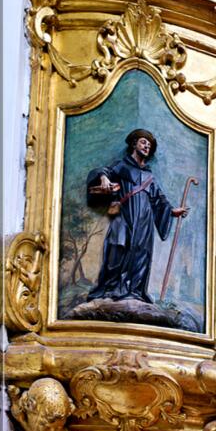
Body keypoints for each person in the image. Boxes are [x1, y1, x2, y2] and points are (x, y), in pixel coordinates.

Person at [86, 129, 188, 303]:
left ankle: (134, 290)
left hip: (144, 221)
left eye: (149, 145)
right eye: (143, 142)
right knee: (117, 249)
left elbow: (159, 198)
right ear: (134, 144)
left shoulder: (149, 176)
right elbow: (103, 171)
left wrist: (171, 211)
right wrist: (103, 178)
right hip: (125, 215)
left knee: (141, 254)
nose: (146, 146)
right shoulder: (122, 166)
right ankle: (111, 287)